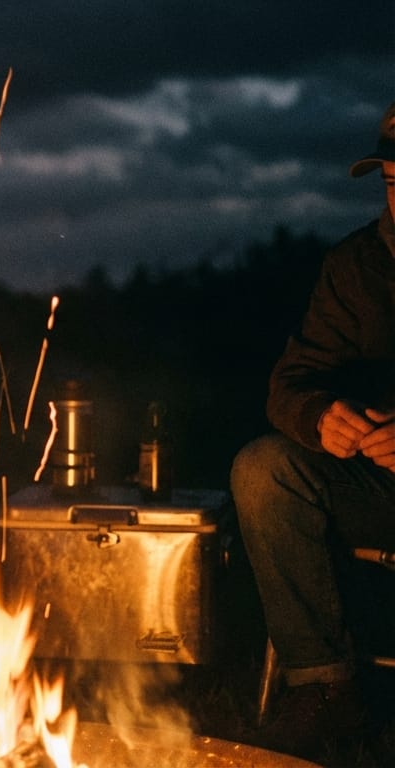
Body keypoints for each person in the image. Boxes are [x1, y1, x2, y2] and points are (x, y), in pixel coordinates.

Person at [231, 100, 395, 761]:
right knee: (264, 469)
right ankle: (327, 692)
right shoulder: (355, 266)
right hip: (377, 491)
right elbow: (292, 382)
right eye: (393, 183)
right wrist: (320, 415)